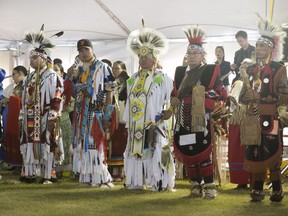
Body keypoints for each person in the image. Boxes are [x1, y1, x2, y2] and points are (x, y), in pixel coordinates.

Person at [170, 25, 227, 199]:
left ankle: (209, 187)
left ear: (203, 55)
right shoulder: (180, 72)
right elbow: (174, 91)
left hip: (201, 117)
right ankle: (195, 186)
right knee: (188, 149)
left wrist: (203, 97)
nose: (192, 56)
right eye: (190, 53)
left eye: (196, 53)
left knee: (202, 150)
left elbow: (221, 92)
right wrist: (174, 98)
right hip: (182, 117)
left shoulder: (210, 70)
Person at [239, 16, 288, 202]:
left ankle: (277, 189)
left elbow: (285, 96)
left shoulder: (278, 68)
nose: (259, 49)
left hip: (271, 117)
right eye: (257, 45)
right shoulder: (250, 69)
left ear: (271, 48)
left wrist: (261, 97)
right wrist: (247, 96)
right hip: (253, 117)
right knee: (255, 151)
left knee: (272, 150)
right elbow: (242, 96)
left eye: (263, 46)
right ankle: (258, 189)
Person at [123, 24, 175, 191]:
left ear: (154, 57)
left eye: (146, 56)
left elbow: (173, 99)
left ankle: (160, 181)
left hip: (155, 124)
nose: (143, 60)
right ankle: (136, 182)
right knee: (136, 153)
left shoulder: (162, 78)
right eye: (140, 57)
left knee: (158, 150)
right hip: (136, 126)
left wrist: (170, 112)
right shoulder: (132, 80)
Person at [19, 29, 64, 184]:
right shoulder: (29, 77)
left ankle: (49, 175)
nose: (31, 60)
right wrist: (21, 115)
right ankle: (29, 173)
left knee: (48, 144)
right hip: (29, 117)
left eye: (35, 57)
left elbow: (57, 97)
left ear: (44, 58)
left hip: (45, 116)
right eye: (30, 57)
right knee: (28, 143)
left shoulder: (52, 76)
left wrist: (53, 116)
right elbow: (24, 99)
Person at [71, 39, 114, 188]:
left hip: (96, 112)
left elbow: (110, 92)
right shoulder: (80, 70)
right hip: (81, 112)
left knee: (96, 145)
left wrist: (108, 114)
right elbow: (73, 92)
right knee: (84, 146)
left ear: (92, 50)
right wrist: (72, 76)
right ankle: (87, 177)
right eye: (80, 51)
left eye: (86, 50)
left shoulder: (103, 67)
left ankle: (102, 178)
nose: (83, 53)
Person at [228, 59, 253, 190]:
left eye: (246, 67)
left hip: (250, 119)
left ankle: (252, 179)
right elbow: (231, 100)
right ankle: (241, 180)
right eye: (242, 67)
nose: (243, 69)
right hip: (236, 119)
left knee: (248, 149)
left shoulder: (255, 83)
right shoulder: (237, 83)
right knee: (237, 149)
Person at [107, 61, 129, 181]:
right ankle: (116, 171)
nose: (114, 70)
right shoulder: (114, 82)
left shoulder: (127, 81)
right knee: (115, 142)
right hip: (115, 115)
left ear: (124, 70)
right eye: (113, 68)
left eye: (117, 68)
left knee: (122, 143)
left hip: (123, 116)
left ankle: (121, 171)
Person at [3, 66, 27, 171]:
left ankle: (23, 165)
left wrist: (9, 100)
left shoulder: (27, 84)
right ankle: (16, 164)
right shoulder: (17, 86)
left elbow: (24, 100)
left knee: (20, 139)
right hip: (14, 116)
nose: (12, 77)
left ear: (20, 73)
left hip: (23, 118)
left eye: (14, 74)